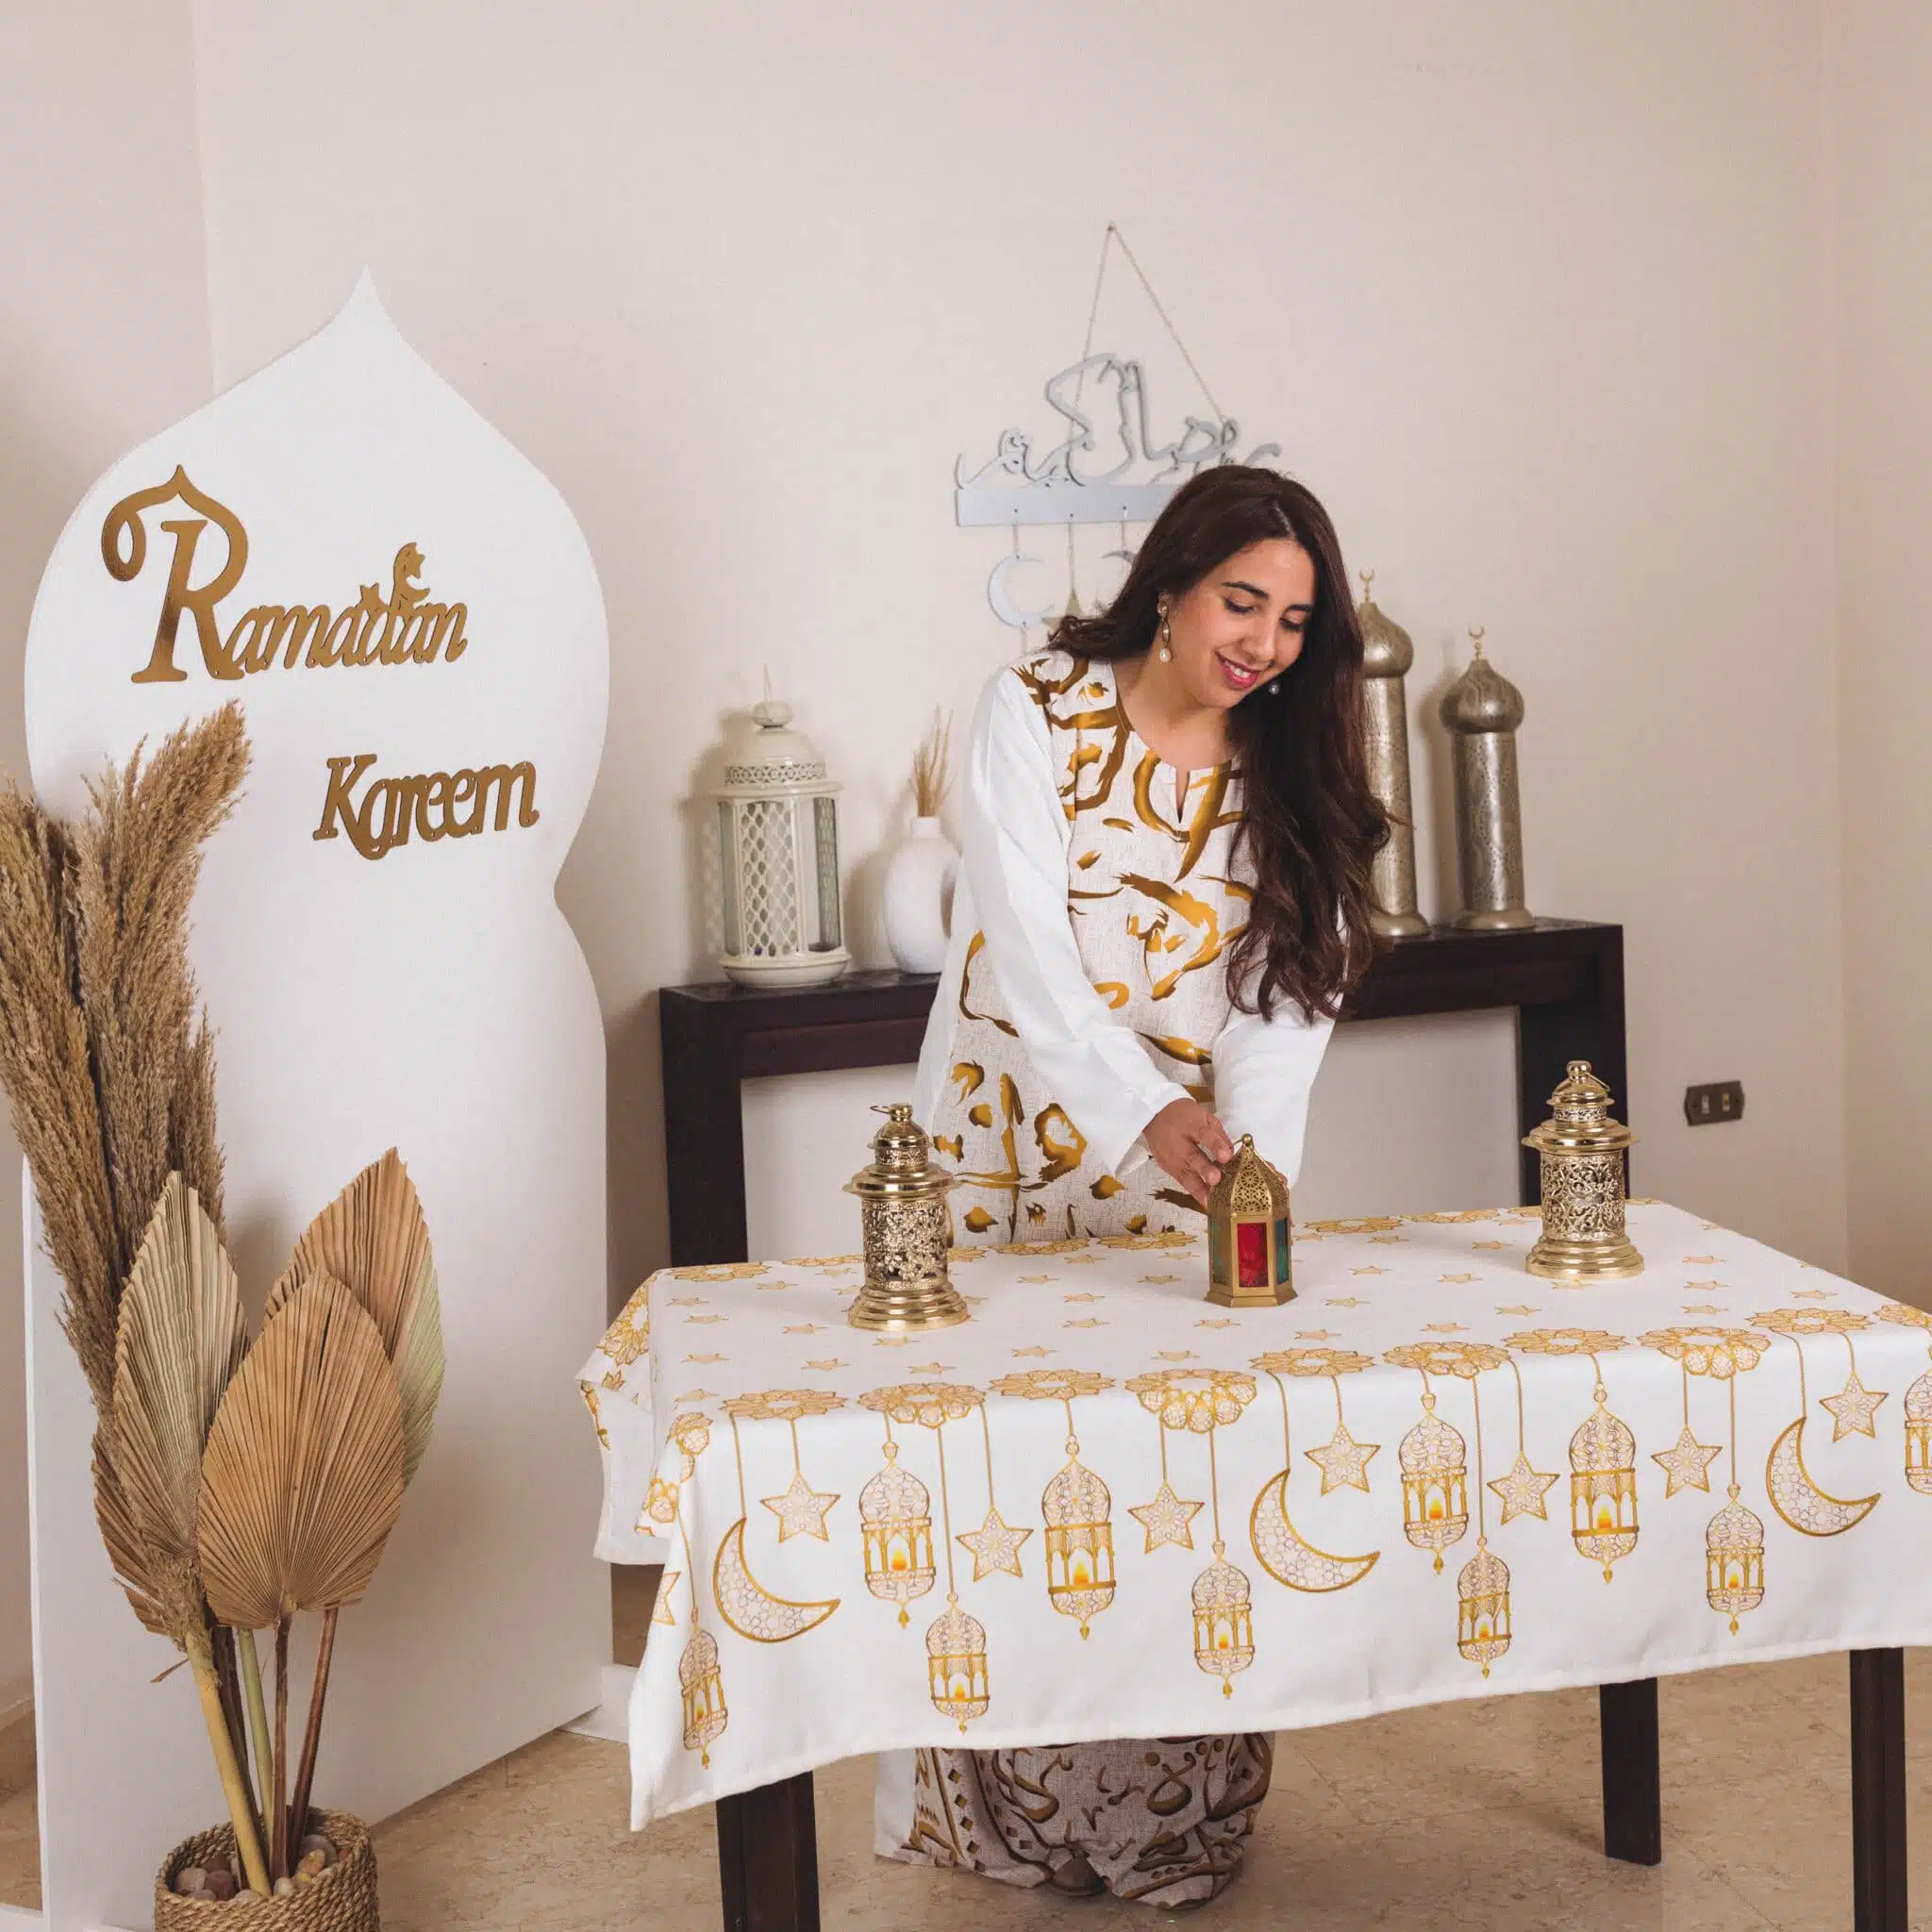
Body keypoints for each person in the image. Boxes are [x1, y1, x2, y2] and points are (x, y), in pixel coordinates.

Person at [875, 465, 1389, 1907]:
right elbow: (1026, 945)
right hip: (1003, 1149)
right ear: (1170, 586)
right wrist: (1143, 1109)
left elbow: (1286, 996)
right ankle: (1008, 1820)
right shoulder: (1033, 708)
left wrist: (1248, 1164)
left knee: (1178, 1486)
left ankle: (1174, 1816)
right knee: (1002, 1480)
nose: (1264, 643)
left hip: (1188, 1177)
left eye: (1294, 621)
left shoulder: (1286, 762)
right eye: (1242, 602)